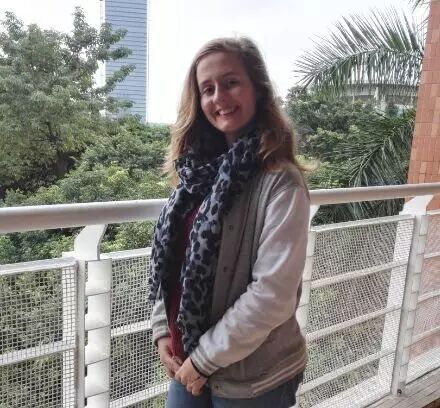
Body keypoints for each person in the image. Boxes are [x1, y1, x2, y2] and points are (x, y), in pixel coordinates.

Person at [149, 36, 310, 408]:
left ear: (258, 88)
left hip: (254, 377)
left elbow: (273, 294)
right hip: (188, 359)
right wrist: (162, 330)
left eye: (231, 82)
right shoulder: (195, 175)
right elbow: (171, 261)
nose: (219, 97)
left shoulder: (280, 182)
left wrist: (204, 359)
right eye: (207, 89)